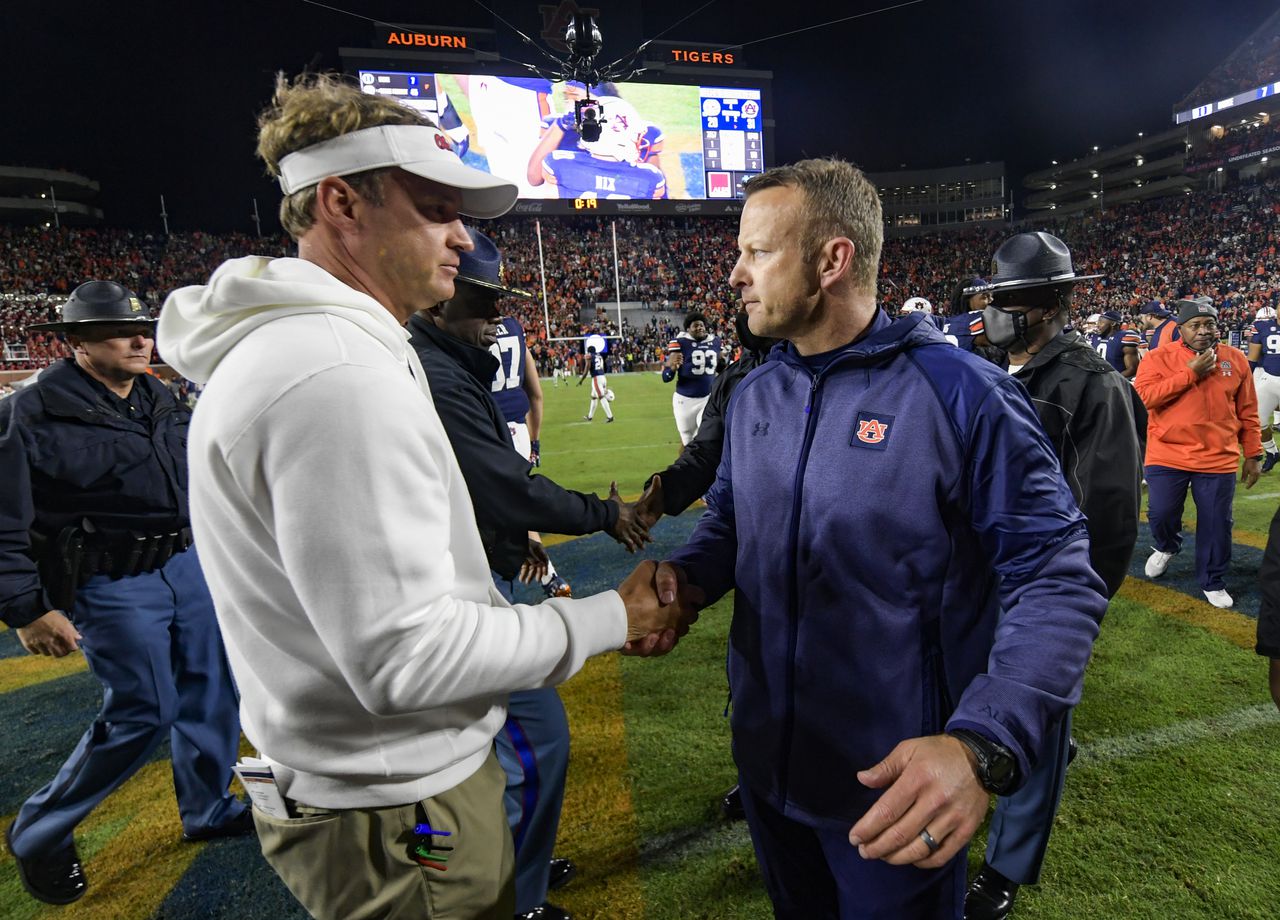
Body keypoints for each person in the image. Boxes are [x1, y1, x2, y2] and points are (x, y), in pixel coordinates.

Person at [155, 73, 696, 920]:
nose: (460, 239)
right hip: (401, 813)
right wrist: (609, 619)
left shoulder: (323, 347)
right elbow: (405, 658)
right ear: (342, 203)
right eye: (436, 209)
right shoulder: (334, 373)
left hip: (372, 792)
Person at [642, 158, 1107, 919]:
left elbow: (1056, 575)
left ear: (833, 260)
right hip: (769, 767)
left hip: (897, 787)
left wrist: (980, 743)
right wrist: (683, 581)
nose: (734, 274)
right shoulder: (759, 390)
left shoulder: (963, 396)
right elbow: (730, 518)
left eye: (758, 252)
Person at [407, 228, 662, 920]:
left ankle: (499, 873)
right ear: (437, 299)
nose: (498, 313)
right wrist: (606, 515)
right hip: (440, 605)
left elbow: (480, 486)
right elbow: (504, 485)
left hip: (463, 574)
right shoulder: (433, 373)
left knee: (480, 760)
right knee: (536, 741)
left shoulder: (441, 362)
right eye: (483, 299)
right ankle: (513, 899)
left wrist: (509, 535)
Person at [1, 281, 249, 906]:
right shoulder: (27, 412)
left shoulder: (157, 395)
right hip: (108, 579)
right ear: (78, 343)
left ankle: (207, 808)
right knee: (143, 710)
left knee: (212, 693)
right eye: (121, 331)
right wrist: (28, 607)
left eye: (145, 328)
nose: (142, 340)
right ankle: (39, 829)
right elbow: (2, 518)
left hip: (186, 565)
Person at [966, 232, 1143, 920]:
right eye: (996, 296)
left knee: (1036, 718)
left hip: (1038, 588)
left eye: (1013, 298)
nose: (998, 309)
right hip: (980, 582)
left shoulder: (1095, 387)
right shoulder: (988, 371)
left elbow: (1108, 516)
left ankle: (1002, 872)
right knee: (995, 711)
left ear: (1053, 303)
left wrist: (1071, 619)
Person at [634, 308, 778, 821]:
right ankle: (758, 776)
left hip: (857, 612)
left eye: (759, 255)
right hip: (767, 595)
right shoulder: (742, 373)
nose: (739, 276)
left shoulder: (895, 378)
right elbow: (710, 467)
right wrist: (659, 500)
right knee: (758, 686)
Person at [1135, 296, 1263, 609]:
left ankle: (1213, 579)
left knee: (1217, 522)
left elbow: (1248, 411)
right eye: (1196, 325)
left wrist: (1254, 454)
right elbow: (1143, 399)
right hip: (1167, 453)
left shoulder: (1235, 359)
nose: (1204, 331)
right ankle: (1167, 545)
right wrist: (1190, 373)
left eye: (1210, 324)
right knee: (1162, 514)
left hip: (1217, 457)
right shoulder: (1158, 357)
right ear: (1181, 329)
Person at [489, 310, 573, 597]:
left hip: (487, 430)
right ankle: (550, 578)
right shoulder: (513, 326)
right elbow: (536, 393)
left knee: (489, 510)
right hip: (518, 431)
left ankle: (546, 576)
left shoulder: (465, 326)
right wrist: (534, 441)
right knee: (517, 502)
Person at [662, 312, 722, 446]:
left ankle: (708, 465)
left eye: (701, 325)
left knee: (707, 437)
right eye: (695, 326)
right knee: (687, 440)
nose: (699, 328)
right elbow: (666, 377)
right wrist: (672, 368)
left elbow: (721, 366)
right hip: (685, 399)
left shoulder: (715, 341)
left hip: (707, 398)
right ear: (688, 329)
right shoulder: (680, 343)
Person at [1246, 305, 1280, 472]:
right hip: (1269, 378)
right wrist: (1243, 380)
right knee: (1257, 420)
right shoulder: (1262, 327)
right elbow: (1252, 357)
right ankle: (1272, 452)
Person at [1091, 310, 1141, 378]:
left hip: (1117, 383)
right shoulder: (1094, 337)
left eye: (1101, 322)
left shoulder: (1125, 337)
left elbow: (1132, 368)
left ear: (1113, 324)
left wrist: (1113, 380)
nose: (1098, 325)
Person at [578, 344, 614, 422]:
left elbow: (587, 369)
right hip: (602, 377)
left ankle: (610, 417)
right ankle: (590, 417)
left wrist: (581, 380)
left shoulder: (589, 356)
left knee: (601, 397)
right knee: (594, 397)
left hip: (596, 378)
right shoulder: (599, 356)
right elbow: (602, 367)